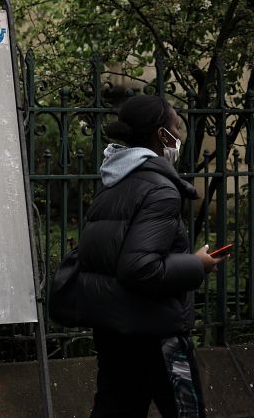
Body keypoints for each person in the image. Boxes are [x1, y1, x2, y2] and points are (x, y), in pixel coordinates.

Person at [77, 95, 224, 417]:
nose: (179, 137)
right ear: (162, 135)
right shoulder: (160, 188)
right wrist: (196, 264)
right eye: (176, 128)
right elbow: (139, 267)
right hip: (157, 333)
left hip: (115, 329)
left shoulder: (113, 182)